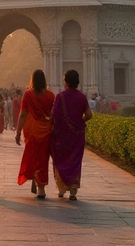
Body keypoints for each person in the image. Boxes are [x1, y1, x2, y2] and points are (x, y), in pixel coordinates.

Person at [51, 69, 93, 201]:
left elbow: (54, 116)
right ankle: (73, 190)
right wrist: (80, 122)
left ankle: (62, 188)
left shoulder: (60, 96)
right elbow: (89, 115)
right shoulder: (82, 97)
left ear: (66, 81)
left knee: (61, 159)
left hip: (63, 135)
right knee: (75, 161)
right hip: (77, 135)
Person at [15, 69, 55, 199]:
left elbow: (23, 114)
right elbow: (53, 115)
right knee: (43, 159)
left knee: (33, 157)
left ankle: (37, 182)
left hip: (32, 132)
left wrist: (18, 131)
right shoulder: (50, 96)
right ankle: (41, 187)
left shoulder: (28, 95)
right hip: (46, 132)